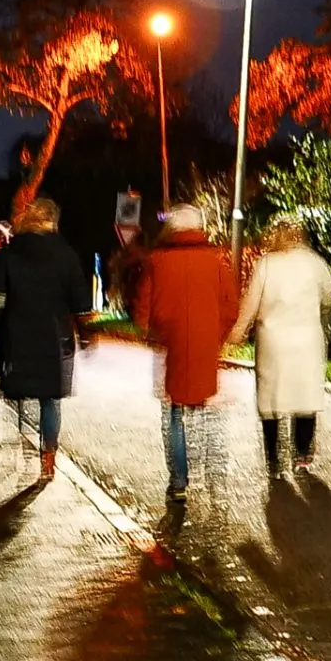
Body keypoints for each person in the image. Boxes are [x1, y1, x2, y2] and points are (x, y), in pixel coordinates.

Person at [135, 204, 240, 512]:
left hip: (169, 348)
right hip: (205, 346)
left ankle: (179, 481)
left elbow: (144, 308)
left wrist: (153, 330)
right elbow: (230, 305)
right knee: (205, 410)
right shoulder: (216, 262)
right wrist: (215, 335)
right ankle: (213, 477)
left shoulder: (156, 261)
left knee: (174, 414)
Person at [0, 197, 92, 485]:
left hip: (17, 336)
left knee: (20, 397)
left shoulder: (9, 255)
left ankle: (23, 447)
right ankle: (48, 456)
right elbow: (80, 301)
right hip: (53, 338)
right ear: (52, 221)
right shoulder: (65, 254)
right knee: (50, 399)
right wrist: (86, 333)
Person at [234, 214, 331, 482]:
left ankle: (273, 459)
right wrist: (320, 312)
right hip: (307, 341)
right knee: (304, 398)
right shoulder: (315, 264)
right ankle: (302, 455)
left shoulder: (266, 264)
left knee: (271, 401)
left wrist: (238, 331)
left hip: (273, 343)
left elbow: (251, 303)